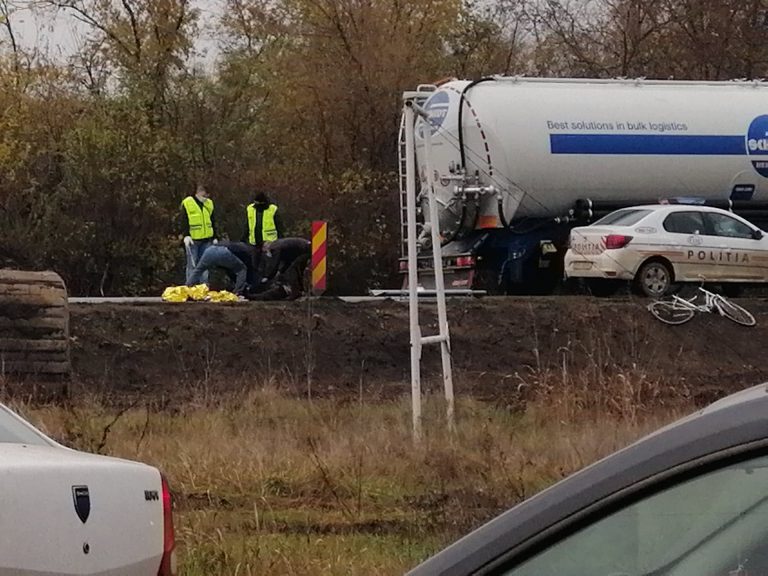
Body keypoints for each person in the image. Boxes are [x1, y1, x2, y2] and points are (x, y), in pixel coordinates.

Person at [187, 241, 259, 296]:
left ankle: (186, 288)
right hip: (224, 252)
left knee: (198, 270)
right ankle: (237, 292)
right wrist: (251, 282)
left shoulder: (237, 245)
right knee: (242, 269)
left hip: (209, 250)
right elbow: (248, 268)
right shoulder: (247, 251)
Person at [181, 184, 216, 283]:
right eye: (204, 196)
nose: (206, 198)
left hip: (206, 240)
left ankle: (203, 287)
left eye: (207, 196)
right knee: (192, 265)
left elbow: (213, 221)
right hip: (193, 240)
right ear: (198, 193)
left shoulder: (209, 203)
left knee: (205, 265)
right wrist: (186, 235)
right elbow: (184, 220)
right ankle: (190, 287)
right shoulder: (188, 203)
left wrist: (215, 236)